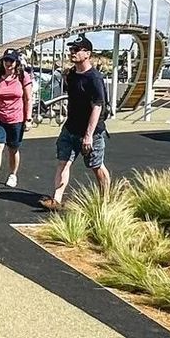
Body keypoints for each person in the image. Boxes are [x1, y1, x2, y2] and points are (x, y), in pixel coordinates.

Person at [42, 37, 110, 209]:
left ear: (87, 54)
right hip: (70, 128)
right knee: (63, 161)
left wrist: (88, 136)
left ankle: (105, 201)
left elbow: (97, 107)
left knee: (96, 166)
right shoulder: (71, 75)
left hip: (91, 132)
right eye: (72, 49)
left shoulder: (94, 78)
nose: (72, 52)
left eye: (77, 49)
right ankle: (56, 199)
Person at [0, 48, 33, 189]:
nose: (8, 63)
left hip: (16, 119)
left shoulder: (23, 77)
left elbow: (28, 99)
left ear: (16, 62)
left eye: (11, 60)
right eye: (6, 60)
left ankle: (12, 174)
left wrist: (28, 119)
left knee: (13, 149)